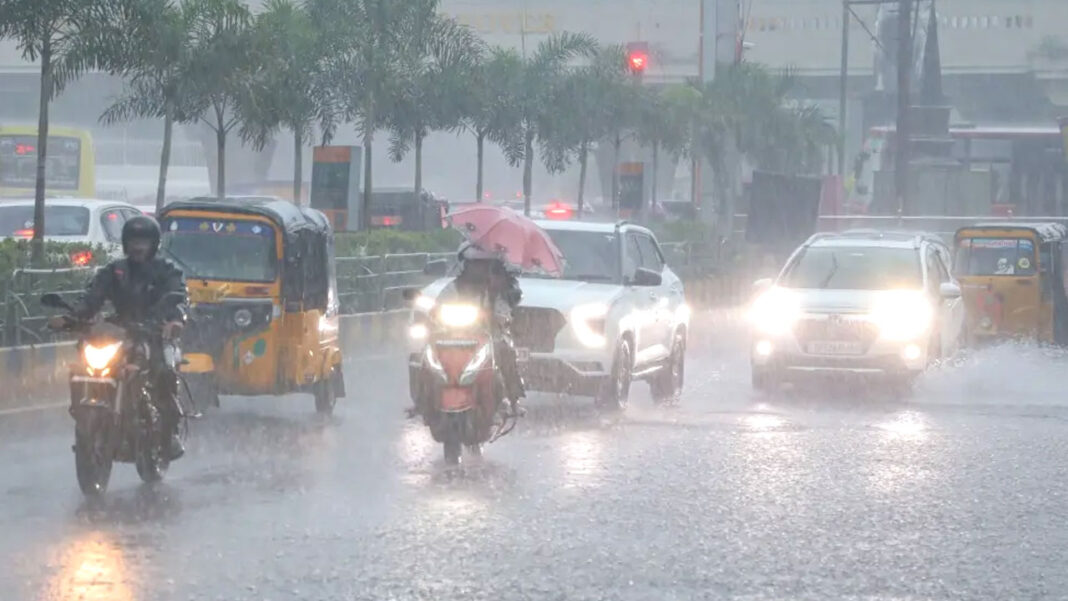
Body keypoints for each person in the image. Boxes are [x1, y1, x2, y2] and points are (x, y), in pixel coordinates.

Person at [49, 215, 189, 460]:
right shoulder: (114, 271)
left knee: (164, 371)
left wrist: (175, 320)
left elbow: (177, 297)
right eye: (133, 240)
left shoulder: (167, 270)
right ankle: (83, 413)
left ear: (153, 243)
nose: (138, 246)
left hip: (154, 331)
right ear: (125, 242)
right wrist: (71, 317)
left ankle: (169, 434)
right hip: (120, 330)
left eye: (143, 241)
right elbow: (91, 299)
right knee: (83, 360)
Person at [451, 244, 526, 408]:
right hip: (453, 337)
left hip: (491, 336)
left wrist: (501, 316)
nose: (478, 270)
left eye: (484, 265)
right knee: (426, 357)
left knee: (505, 350)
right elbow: (440, 303)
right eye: (474, 264)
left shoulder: (501, 289)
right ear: (465, 265)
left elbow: (507, 307)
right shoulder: (454, 287)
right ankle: (423, 400)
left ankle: (513, 398)